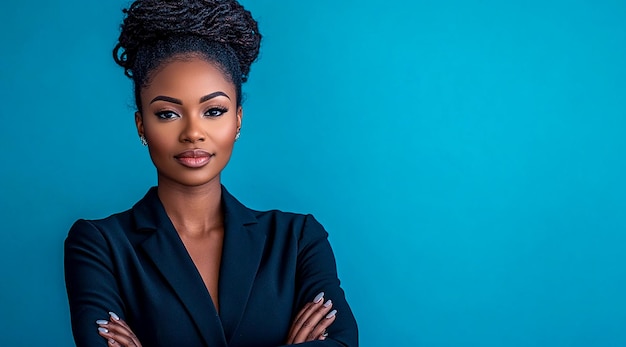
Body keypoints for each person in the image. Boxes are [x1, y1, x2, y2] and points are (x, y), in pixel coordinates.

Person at [63, 0, 358, 346]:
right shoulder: (100, 246)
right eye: (168, 114)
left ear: (237, 121)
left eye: (214, 111)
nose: (193, 132)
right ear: (141, 125)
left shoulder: (298, 239)